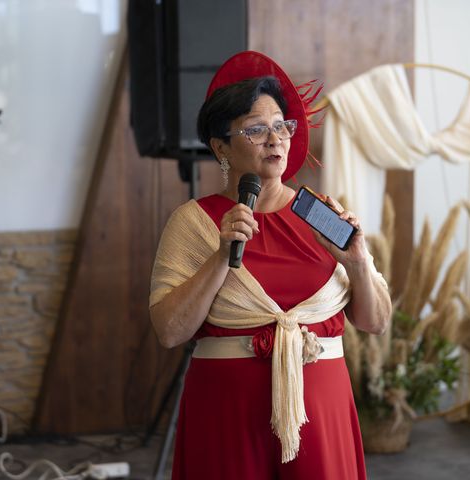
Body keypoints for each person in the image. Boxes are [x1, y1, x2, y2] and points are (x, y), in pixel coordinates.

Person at [149, 51, 392, 480]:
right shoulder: (194, 223)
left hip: (322, 411)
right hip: (227, 412)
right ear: (221, 146)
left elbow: (376, 322)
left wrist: (356, 264)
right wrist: (222, 256)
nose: (275, 139)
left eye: (282, 126)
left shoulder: (322, 213)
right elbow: (169, 331)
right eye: (257, 129)